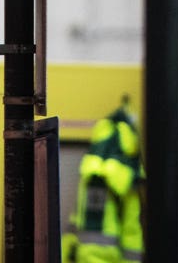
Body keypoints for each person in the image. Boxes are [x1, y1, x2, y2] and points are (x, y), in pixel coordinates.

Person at [63, 102, 144, 263]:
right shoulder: (126, 175)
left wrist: (64, 255)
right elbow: (132, 230)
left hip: (83, 256)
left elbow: (76, 218)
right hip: (111, 257)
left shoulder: (90, 168)